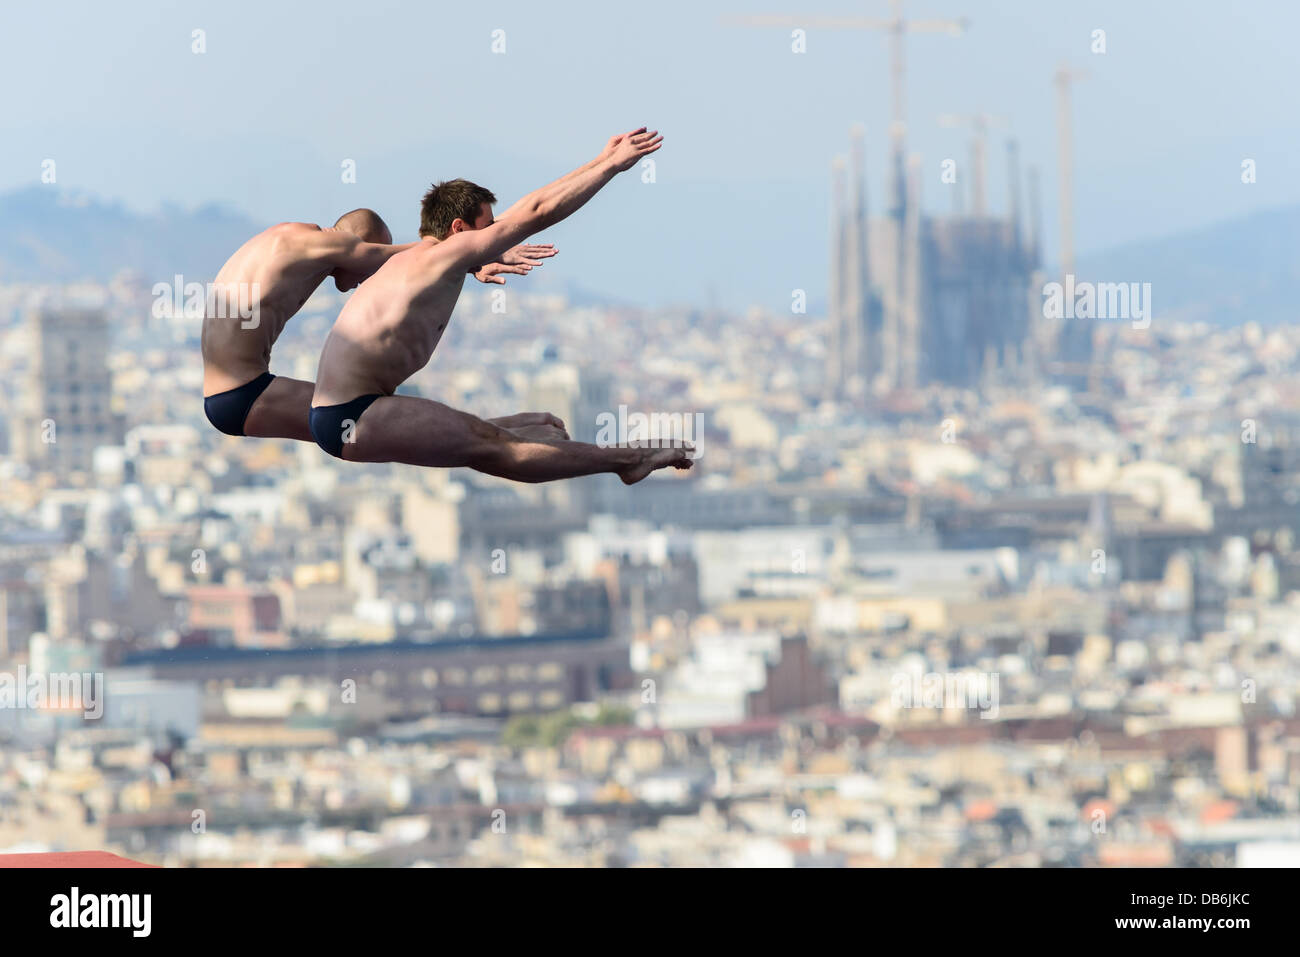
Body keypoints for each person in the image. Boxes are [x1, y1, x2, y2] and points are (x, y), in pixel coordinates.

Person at [309, 127, 692, 485]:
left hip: (351, 410)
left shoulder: (425, 261)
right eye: (488, 228)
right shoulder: (435, 260)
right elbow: (538, 212)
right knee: (493, 449)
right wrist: (611, 166)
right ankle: (627, 461)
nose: (497, 236)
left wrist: (598, 158)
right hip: (354, 413)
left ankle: (514, 428)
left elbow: (525, 209)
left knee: (484, 440)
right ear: (459, 231)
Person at [201, 209, 559, 441]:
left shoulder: (285, 237)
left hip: (234, 390)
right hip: (242, 394)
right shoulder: (316, 243)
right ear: (352, 243)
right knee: (369, 418)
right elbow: (394, 257)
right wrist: (473, 254)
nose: (369, 280)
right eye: (370, 269)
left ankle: (494, 431)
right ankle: (502, 433)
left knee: (378, 415)